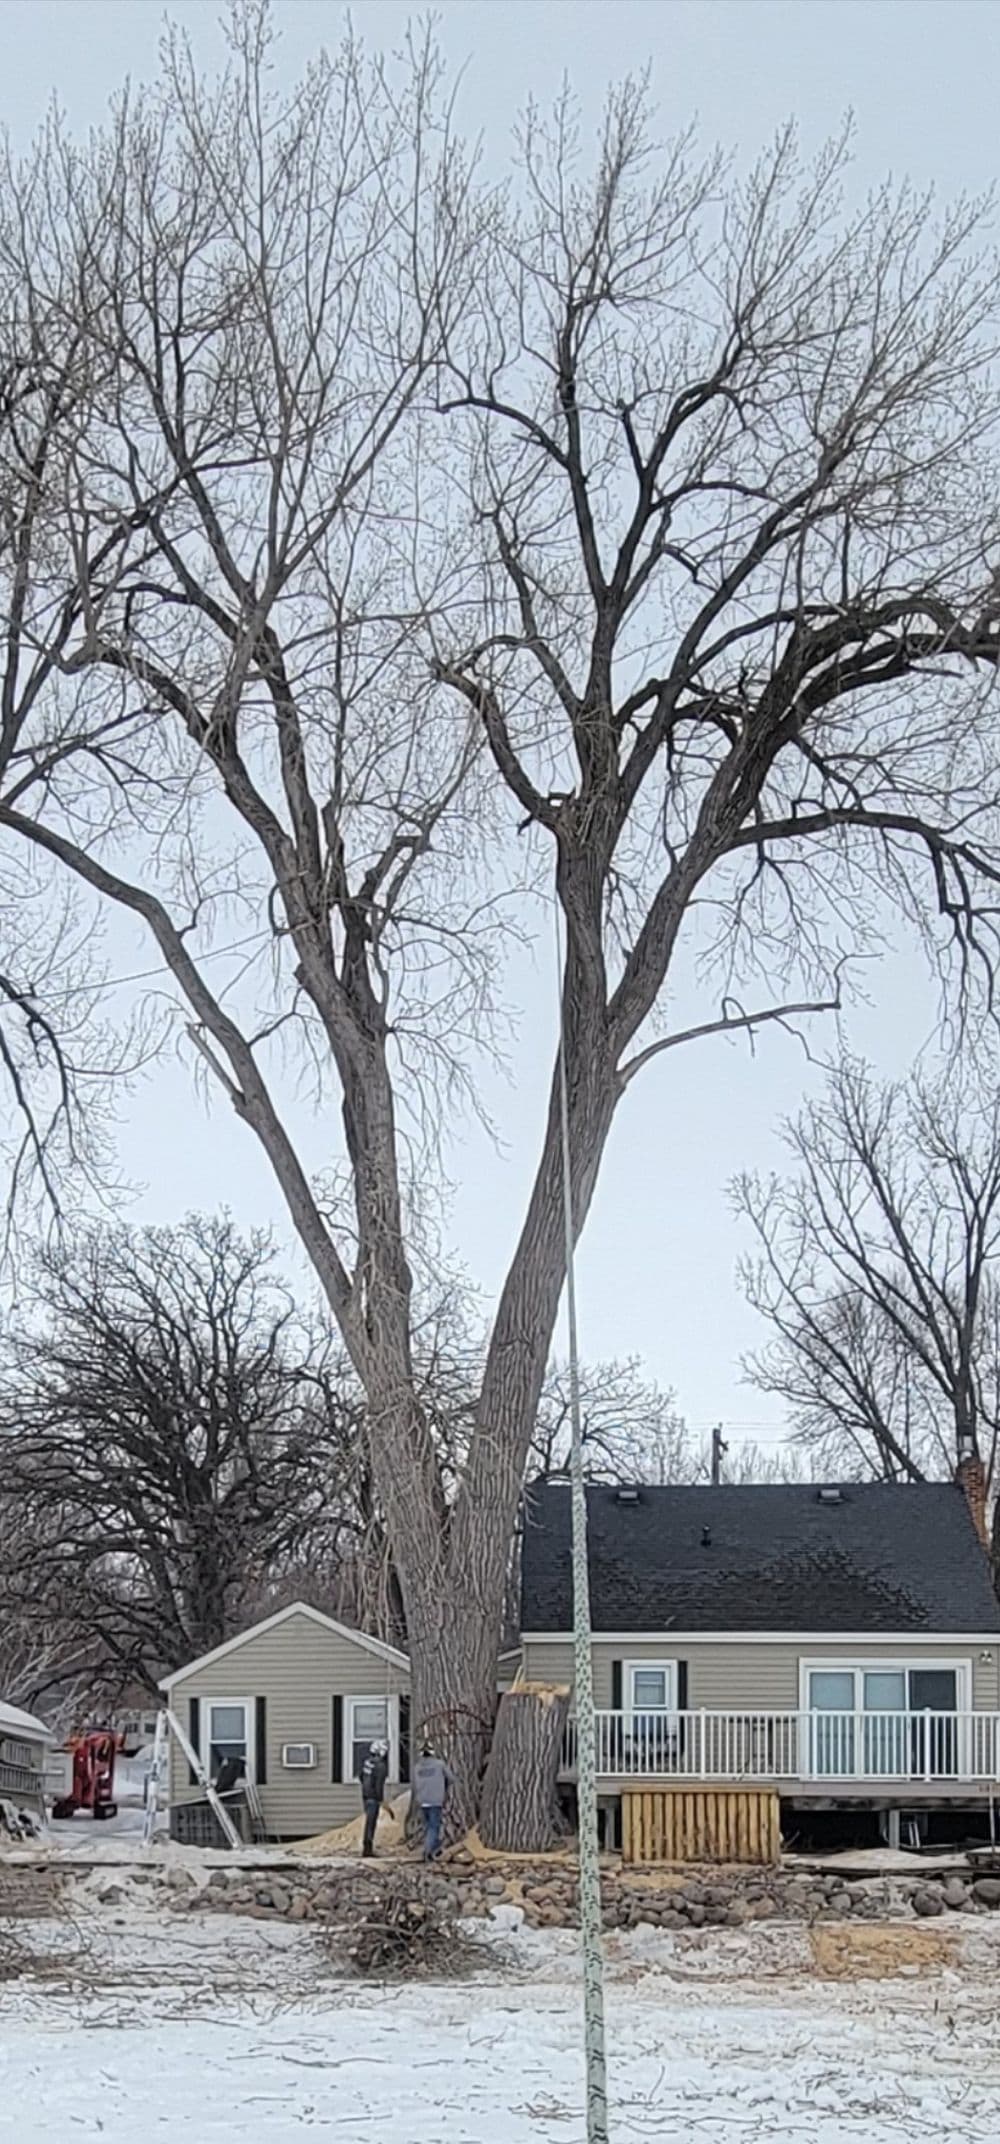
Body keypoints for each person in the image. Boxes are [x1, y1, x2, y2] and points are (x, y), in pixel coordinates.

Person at [413, 1739, 452, 1861]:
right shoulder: (439, 1764)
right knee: (434, 1827)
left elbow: (414, 1784)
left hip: (422, 1800)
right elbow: (451, 1778)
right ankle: (427, 1851)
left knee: (428, 1826)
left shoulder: (417, 1767)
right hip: (435, 1800)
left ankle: (436, 1848)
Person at [359, 1738, 389, 1858]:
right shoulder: (380, 1766)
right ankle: (367, 1849)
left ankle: (367, 1847)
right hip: (373, 1798)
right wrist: (380, 1799)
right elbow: (379, 1785)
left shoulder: (367, 1762)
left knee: (369, 1822)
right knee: (371, 1824)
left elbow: (361, 1777)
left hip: (365, 1796)